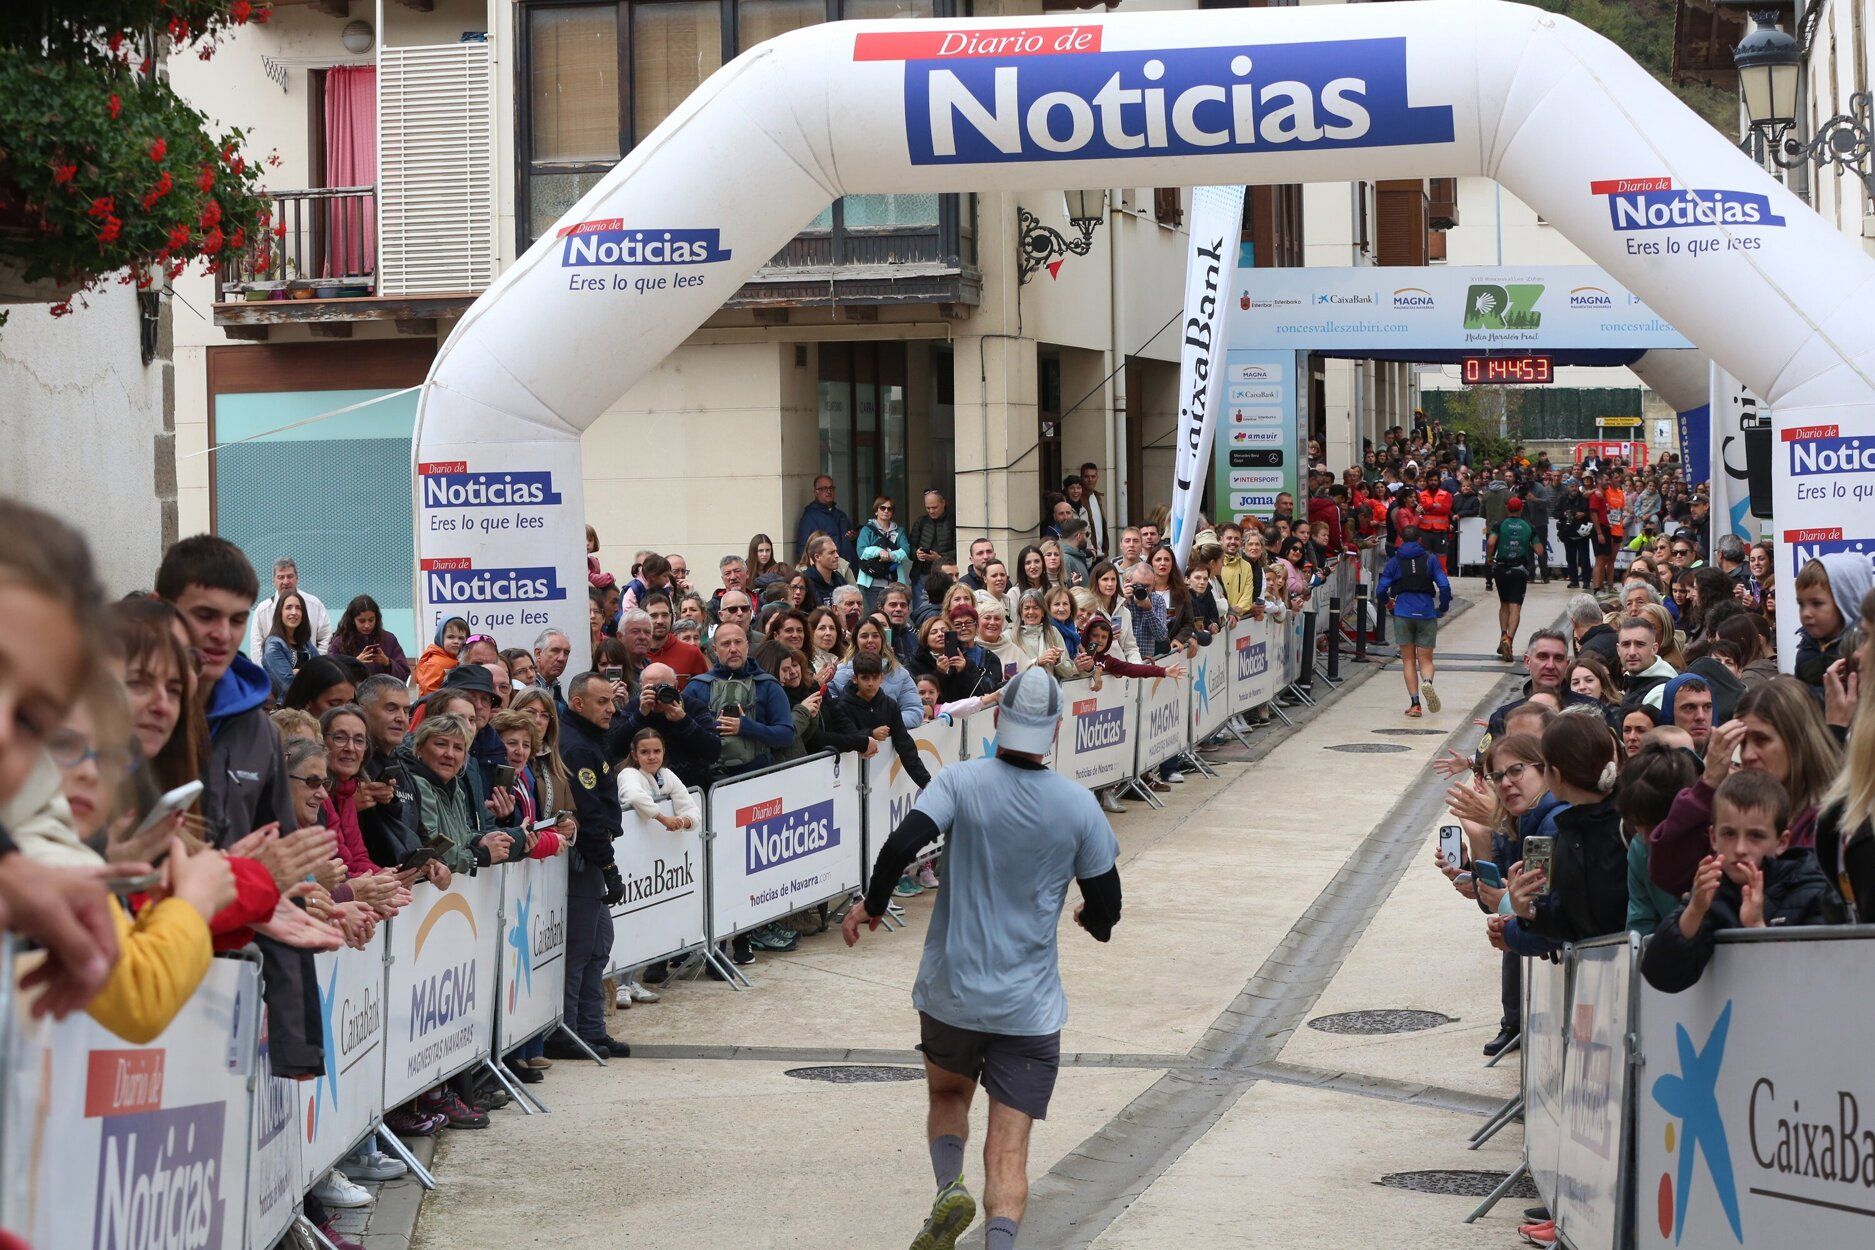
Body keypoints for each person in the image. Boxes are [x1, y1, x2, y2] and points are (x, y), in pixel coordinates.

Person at [843, 669, 1121, 1250]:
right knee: (1010, 1148)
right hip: (1030, 1008)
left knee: (947, 1096)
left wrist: (871, 906)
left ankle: (949, 1189)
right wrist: (1088, 921)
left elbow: (900, 848)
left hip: (952, 993)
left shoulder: (960, 782)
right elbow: (1108, 908)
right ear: (1057, 729)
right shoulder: (1080, 807)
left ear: (998, 720)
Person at [157, 534, 330, 1077]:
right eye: (204, 614)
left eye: (235, 619)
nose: (221, 633)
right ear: (166, 611)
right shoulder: (134, 716)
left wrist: (297, 1045)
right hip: (144, 979)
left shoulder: (258, 729)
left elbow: (286, 877)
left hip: (228, 986)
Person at [1640, 772, 1830, 993]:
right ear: (1713, 838)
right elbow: (1662, 977)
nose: (1740, 849)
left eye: (1755, 836)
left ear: (1782, 841)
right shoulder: (1712, 892)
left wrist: (1758, 928)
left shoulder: (1810, 887)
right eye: (1729, 834)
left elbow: (1817, 978)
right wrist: (1694, 911)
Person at [552, 672, 632, 1059]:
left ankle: (593, 1029)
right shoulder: (576, 746)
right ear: (578, 703)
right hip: (584, 858)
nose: (611, 709)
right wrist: (609, 865)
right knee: (581, 949)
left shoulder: (590, 739)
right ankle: (570, 1029)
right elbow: (589, 812)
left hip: (595, 858)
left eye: (612, 701)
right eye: (602, 702)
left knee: (600, 946)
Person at [683, 623, 793, 777]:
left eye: (738, 642)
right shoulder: (697, 687)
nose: (733, 649)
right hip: (709, 781)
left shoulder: (767, 684)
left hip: (759, 778)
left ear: (747, 646)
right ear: (714, 649)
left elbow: (787, 735)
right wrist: (713, 729)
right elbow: (682, 736)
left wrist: (746, 727)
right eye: (726, 644)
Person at [823, 653, 935, 791]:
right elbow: (845, 736)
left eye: (875, 678)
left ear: (881, 678)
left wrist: (926, 783)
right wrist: (870, 734)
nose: (870, 683)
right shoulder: (841, 706)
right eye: (865, 678)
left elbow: (905, 745)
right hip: (848, 785)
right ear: (855, 679)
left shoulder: (890, 705)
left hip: (880, 785)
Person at [1375, 525, 1451, 718]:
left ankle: (1415, 704)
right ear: (1420, 540)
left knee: (1408, 659)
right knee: (1426, 659)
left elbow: (1381, 589)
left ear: (1401, 539)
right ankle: (1428, 682)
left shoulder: (1394, 561)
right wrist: (1442, 608)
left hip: (1403, 611)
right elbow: (1444, 584)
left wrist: (1388, 604)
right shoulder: (1430, 559)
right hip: (1426, 611)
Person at [1793, 553, 1871, 691]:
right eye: (1801, 604)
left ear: (1845, 602)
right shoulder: (1806, 647)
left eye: (1816, 603)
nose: (1806, 613)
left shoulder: (1861, 649)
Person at [830, 616, 926, 727]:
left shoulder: (900, 674)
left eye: (875, 636)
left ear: (882, 639)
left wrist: (885, 723)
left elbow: (915, 711)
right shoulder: (838, 673)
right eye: (864, 636)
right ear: (856, 641)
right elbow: (832, 711)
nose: (870, 640)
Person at [246, 556, 332, 661]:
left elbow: (325, 637)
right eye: (281, 577)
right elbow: (256, 647)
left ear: (297, 578)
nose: (286, 582)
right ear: (273, 581)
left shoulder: (314, 604)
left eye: (290, 576)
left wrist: (315, 665)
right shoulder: (263, 609)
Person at [1487, 495, 1538, 661]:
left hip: (1501, 568)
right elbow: (1540, 550)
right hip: (1519, 570)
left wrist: (1489, 557)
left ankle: (1502, 636)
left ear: (1507, 508)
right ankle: (1509, 639)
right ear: (1521, 509)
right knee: (1515, 606)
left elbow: (1490, 542)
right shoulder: (1528, 526)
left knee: (1504, 604)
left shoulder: (1499, 524)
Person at [327, 594, 410, 680]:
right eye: (361, 621)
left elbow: (405, 674)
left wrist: (387, 662)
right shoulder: (340, 643)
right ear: (352, 620)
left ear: (376, 619)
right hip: (353, 692)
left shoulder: (389, 639)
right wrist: (355, 663)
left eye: (371, 620)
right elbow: (330, 676)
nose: (367, 625)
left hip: (383, 691)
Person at [261, 590, 318, 698]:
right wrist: (310, 674)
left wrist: (299, 673)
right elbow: (287, 685)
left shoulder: (306, 643)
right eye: (288, 607)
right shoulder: (273, 645)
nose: (294, 612)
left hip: (309, 705)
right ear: (280, 613)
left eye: (298, 608)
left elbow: (322, 669)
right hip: (284, 710)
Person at [1617, 618, 1678, 711]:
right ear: (1618, 650)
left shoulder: (1661, 693)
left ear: (1654, 649)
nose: (1632, 652)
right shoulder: (1634, 679)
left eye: (1640, 644)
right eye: (1626, 644)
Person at [797, 474, 858, 564]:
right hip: (827, 570)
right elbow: (803, 548)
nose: (829, 491)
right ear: (816, 492)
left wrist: (853, 537)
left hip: (847, 568)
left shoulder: (841, 515)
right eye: (824, 488)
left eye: (831, 488)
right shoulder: (810, 517)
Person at [282, 656, 357, 718]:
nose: (345, 712)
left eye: (350, 704)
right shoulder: (279, 733)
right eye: (335, 704)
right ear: (307, 702)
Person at [416, 616, 469, 694]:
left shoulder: (461, 659)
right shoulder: (435, 663)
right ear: (440, 638)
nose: (456, 641)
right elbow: (429, 691)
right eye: (450, 637)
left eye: (461, 638)